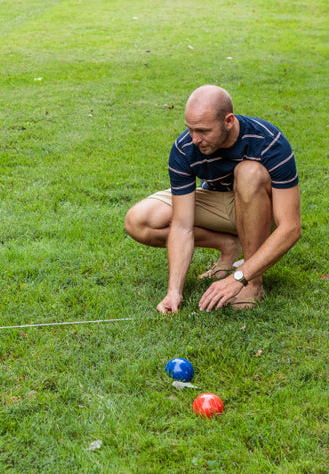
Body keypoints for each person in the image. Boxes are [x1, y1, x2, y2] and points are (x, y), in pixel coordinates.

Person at [124, 85, 301, 313]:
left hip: (265, 211)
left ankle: (254, 283)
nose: (195, 139)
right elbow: (182, 225)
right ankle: (228, 245)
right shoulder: (186, 147)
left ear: (228, 121)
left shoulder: (269, 142)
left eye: (203, 131)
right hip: (222, 205)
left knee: (249, 173)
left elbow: (291, 228)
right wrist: (174, 291)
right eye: (190, 129)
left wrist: (240, 277)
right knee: (139, 220)